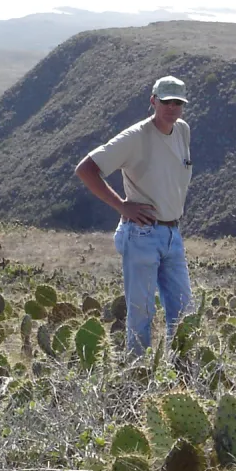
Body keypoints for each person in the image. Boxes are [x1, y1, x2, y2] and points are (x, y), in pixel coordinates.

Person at [76, 76, 194, 353]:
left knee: (185, 311)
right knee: (141, 312)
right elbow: (86, 169)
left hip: (172, 234)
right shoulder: (135, 137)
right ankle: (136, 377)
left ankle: (181, 371)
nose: (172, 107)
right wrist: (122, 206)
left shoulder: (183, 130)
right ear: (153, 100)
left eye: (178, 102)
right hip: (142, 234)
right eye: (165, 101)